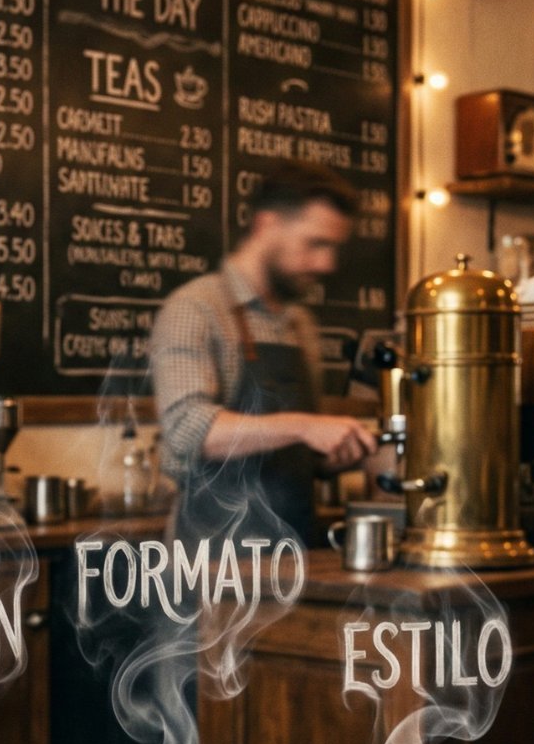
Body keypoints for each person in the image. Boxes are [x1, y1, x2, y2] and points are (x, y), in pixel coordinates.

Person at [150, 161, 377, 547]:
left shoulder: (299, 323)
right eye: (315, 244)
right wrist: (305, 427)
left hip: (294, 549)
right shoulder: (197, 308)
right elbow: (188, 431)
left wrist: (334, 456)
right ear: (266, 225)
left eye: (333, 248)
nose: (327, 264)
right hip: (213, 558)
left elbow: (294, 451)